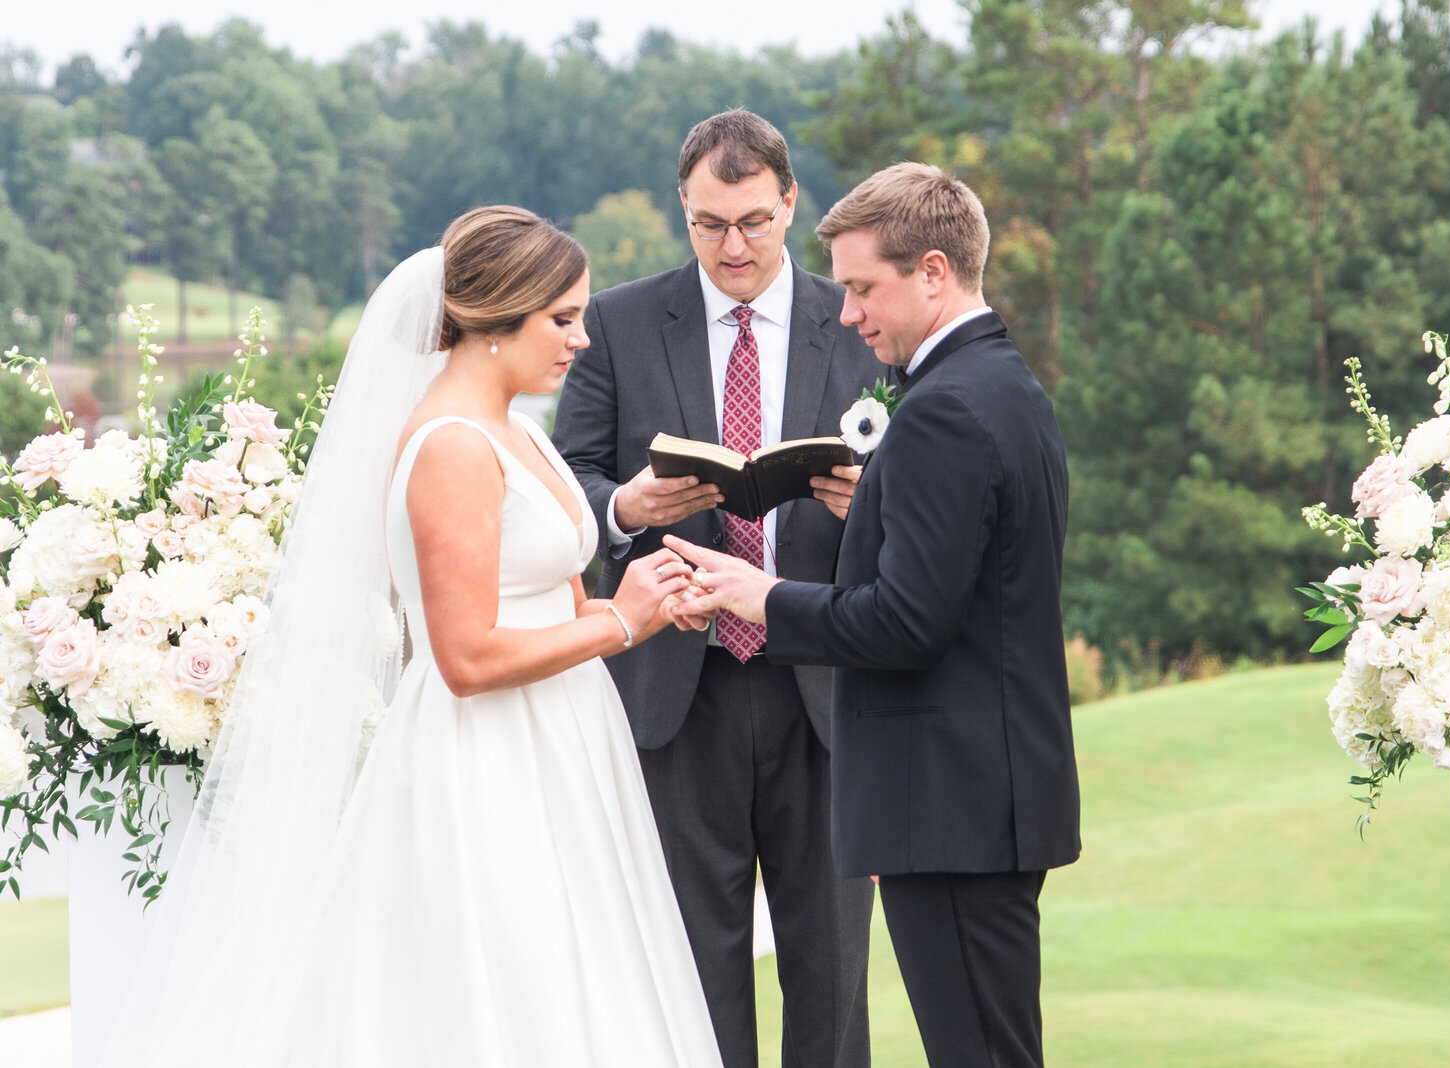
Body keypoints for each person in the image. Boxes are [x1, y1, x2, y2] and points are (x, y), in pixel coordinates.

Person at [97, 207, 722, 1067]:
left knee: (590, 976)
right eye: (562, 318)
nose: (580, 340)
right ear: (497, 318)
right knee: (505, 983)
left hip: (573, 740)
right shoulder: (453, 448)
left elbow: (565, 608)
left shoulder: (523, 432)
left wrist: (654, 600)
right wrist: (624, 620)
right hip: (488, 757)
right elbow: (463, 660)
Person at [665, 163, 1080, 1068]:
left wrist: (759, 597)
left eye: (862, 288)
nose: (849, 314)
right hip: (980, 797)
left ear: (934, 271)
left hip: (955, 806)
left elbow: (903, 622)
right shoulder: (1002, 385)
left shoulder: (945, 411)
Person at [551, 110, 879, 1067]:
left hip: (824, 679)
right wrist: (627, 506)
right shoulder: (614, 322)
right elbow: (565, 473)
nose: (731, 247)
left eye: (752, 222)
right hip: (673, 692)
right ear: (681, 212)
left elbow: (921, 486)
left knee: (832, 973)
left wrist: (874, 505)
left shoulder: (855, 319)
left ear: (788, 204)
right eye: (707, 224)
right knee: (689, 971)